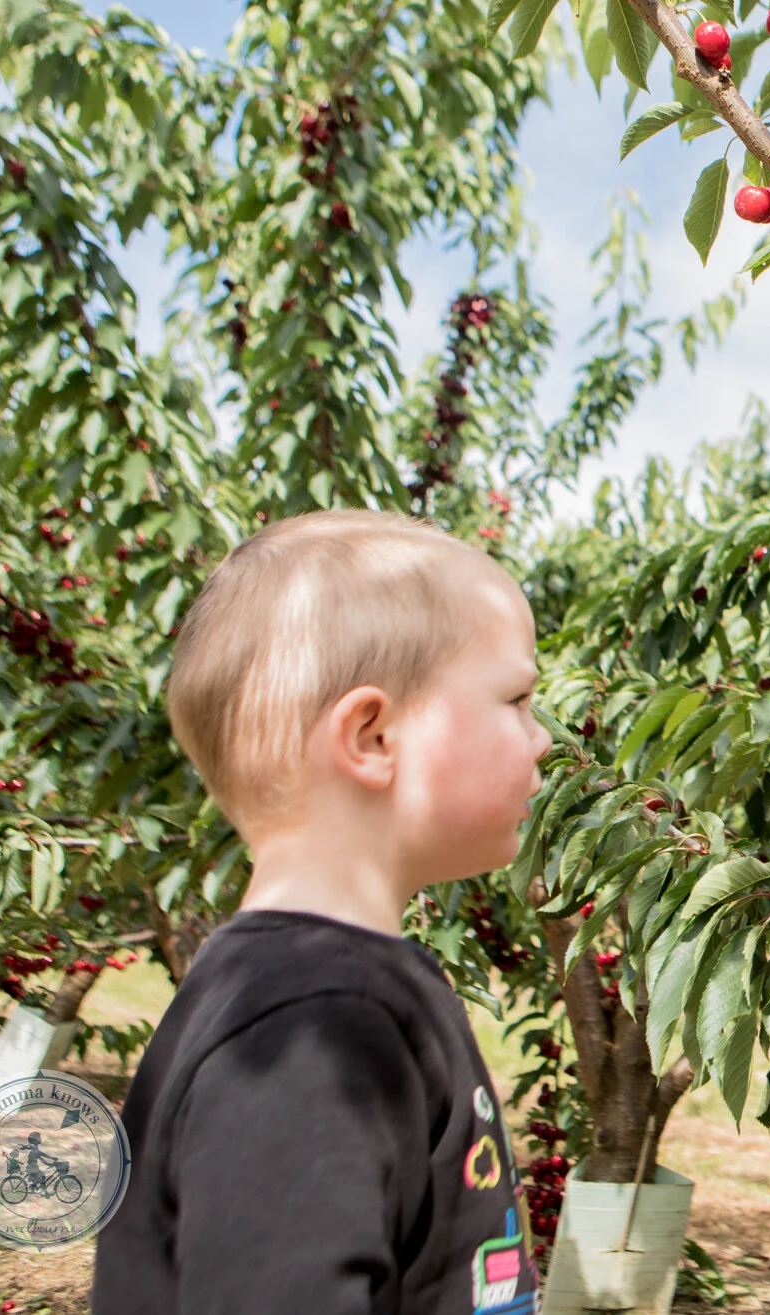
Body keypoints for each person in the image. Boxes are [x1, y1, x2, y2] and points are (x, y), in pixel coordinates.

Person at [92, 511, 550, 1315]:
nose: (542, 737)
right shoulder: (310, 1029)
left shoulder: (330, 991)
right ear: (372, 736)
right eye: (516, 697)